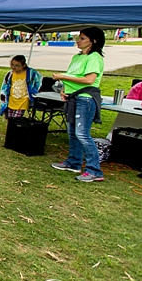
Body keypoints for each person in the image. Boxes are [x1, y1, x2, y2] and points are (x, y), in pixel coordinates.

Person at [51, 27, 106, 182]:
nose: (78, 41)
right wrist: (63, 89)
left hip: (86, 99)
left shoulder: (94, 57)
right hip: (73, 98)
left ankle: (94, 170)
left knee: (82, 134)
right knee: (72, 132)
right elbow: (72, 76)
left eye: (82, 38)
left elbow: (89, 80)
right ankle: (73, 162)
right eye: (79, 38)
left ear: (93, 41)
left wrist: (61, 76)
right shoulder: (77, 57)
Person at [0, 55, 42, 119]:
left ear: (24, 65)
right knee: (9, 119)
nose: (13, 67)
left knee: (16, 119)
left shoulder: (31, 73)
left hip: (23, 101)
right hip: (11, 100)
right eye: (12, 64)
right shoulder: (10, 74)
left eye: (17, 66)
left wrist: (34, 91)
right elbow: (4, 87)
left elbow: (39, 81)